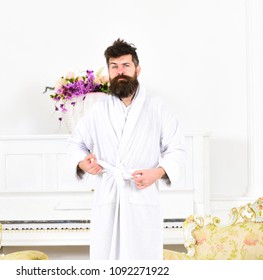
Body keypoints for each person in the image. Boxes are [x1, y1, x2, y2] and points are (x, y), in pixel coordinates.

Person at [67, 39, 186, 260]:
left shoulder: (157, 108)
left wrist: (156, 173)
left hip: (141, 194)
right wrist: (83, 162)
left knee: (143, 259)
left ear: (137, 69)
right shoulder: (97, 110)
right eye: (114, 66)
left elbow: (176, 149)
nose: (120, 71)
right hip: (108, 195)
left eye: (126, 65)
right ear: (109, 72)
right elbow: (76, 144)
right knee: (105, 259)